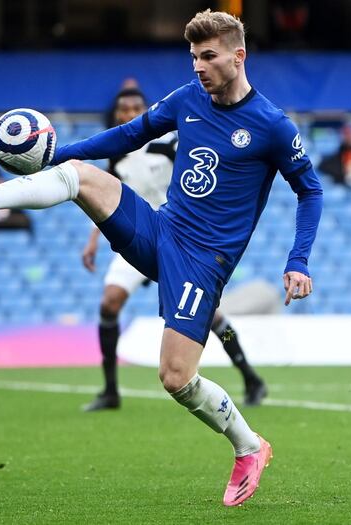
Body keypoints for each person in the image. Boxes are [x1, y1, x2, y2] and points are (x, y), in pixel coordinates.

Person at [0, 10, 322, 506]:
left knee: (175, 378)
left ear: (237, 55)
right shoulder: (187, 99)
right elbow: (127, 136)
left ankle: (249, 446)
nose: (199, 67)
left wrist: (299, 259)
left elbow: (310, 190)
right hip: (163, 229)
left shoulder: (270, 124)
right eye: (193, 58)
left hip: (204, 262)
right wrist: (55, 153)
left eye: (208, 56)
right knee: (81, 174)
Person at [81, 87, 266, 412]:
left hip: (179, 240)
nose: (130, 112)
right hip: (138, 239)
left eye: (137, 106)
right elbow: (106, 198)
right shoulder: (117, 156)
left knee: (212, 318)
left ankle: (250, 377)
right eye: (124, 108)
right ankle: (110, 390)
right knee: (109, 303)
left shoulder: (168, 144)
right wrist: (93, 239)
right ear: (117, 115)